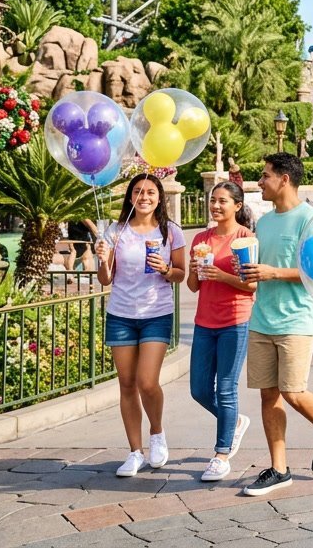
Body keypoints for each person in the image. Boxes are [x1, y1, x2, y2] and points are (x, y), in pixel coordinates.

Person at [242, 153, 313, 496]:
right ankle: (278, 468)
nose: (260, 182)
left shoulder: (310, 220)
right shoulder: (265, 223)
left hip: (297, 319)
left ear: (284, 179)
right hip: (262, 318)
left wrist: (274, 273)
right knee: (268, 394)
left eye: (265, 175)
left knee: (292, 391)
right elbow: (260, 270)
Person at [94, 174, 187, 477]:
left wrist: (167, 269)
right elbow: (106, 279)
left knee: (147, 381)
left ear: (159, 197)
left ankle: (157, 433)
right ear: (130, 197)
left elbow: (181, 275)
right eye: (137, 192)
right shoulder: (115, 232)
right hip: (121, 314)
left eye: (149, 192)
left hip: (156, 314)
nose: (143, 197)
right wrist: (102, 259)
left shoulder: (170, 231)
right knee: (127, 385)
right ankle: (135, 452)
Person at [186, 181, 257, 482]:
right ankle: (236, 421)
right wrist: (194, 269)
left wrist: (222, 275)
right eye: (213, 200)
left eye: (223, 201)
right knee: (199, 389)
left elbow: (251, 285)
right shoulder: (201, 238)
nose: (216, 206)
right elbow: (193, 286)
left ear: (237, 206)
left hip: (235, 320)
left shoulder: (246, 238)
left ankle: (221, 455)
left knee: (226, 388)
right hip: (204, 321)